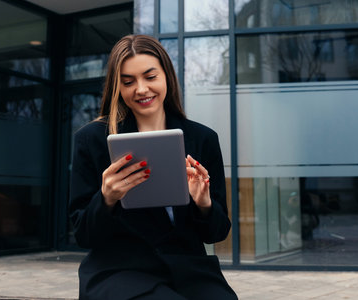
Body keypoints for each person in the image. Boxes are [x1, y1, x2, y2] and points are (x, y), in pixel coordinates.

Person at [69, 34, 237, 300]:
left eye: (150, 77)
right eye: (128, 81)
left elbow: (216, 233)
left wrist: (203, 202)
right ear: (117, 87)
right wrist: (107, 198)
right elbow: (83, 235)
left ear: (167, 77)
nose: (141, 89)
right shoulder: (92, 140)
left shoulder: (203, 139)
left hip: (189, 270)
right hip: (120, 270)